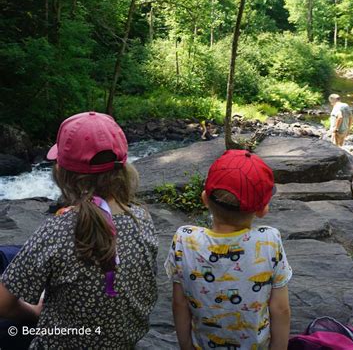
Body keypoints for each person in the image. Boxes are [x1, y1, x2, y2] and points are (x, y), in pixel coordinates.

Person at [0, 112, 159, 348]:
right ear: (123, 168)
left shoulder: (56, 231)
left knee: (10, 323)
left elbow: (3, 304)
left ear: (63, 173)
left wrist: (35, 313)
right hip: (123, 342)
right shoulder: (142, 219)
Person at [165, 150, 292, 350]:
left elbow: (179, 304)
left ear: (205, 198)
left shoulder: (184, 239)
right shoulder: (270, 240)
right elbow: (281, 309)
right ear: (262, 209)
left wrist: (186, 346)